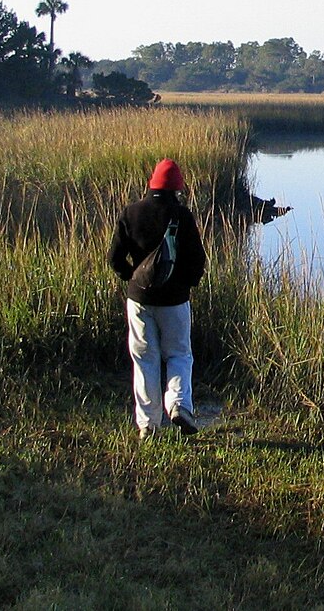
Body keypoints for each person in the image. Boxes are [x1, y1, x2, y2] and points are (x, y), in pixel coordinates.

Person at [108, 158, 207, 440]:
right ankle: (178, 406)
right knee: (178, 354)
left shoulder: (131, 212)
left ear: (152, 182)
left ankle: (147, 425)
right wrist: (186, 284)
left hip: (138, 300)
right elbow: (198, 260)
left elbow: (114, 259)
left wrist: (133, 279)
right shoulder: (182, 216)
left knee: (144, 359)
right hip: (175, 301)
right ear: (178, 187)